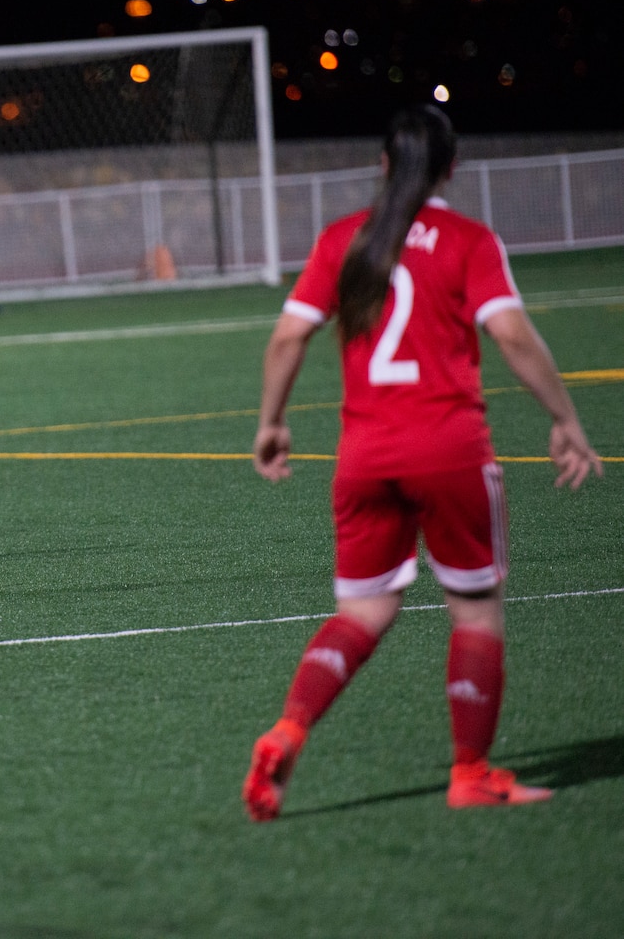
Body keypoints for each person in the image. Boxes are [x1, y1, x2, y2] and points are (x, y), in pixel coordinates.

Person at [241, 104, 602, 821]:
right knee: (474, 612)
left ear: (382, 164)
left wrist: (272, 422)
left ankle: (289, 729)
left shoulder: (345, 239)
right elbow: (512, 335)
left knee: (364, 611)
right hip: (449, 451)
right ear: (452, 168)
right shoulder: (469, 240)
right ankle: (470, 774)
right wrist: (565, 419)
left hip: (364, 456)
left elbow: (286, 340)